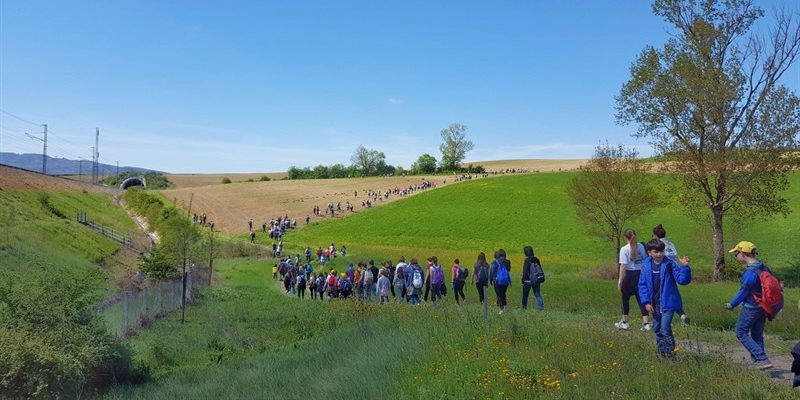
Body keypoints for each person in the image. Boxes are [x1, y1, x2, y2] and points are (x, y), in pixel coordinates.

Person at [638, 239, 692, 357]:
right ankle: (661, 352)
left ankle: (670, 353)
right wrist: (646, 302)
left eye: (661, 251)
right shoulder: (646, 265)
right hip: (654, 303)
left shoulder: (669, 264)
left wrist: (685, 267)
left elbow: (682, 280)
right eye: (655, 252)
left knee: (665, 328)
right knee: (657, 329)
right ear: (649, 253)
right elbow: (642, 285)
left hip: (668, 302)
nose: (659, 254)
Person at [725, 241, 774, 370]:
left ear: (742, 253)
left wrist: (732, 304)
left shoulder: (750, 273)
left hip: (751, 308)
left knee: (740, 332)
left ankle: (762, 358)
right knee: (757, 336)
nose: (736, 256)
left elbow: (744, 291)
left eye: (736, 253)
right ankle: (760, 364)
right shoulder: (764, 267)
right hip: (763, 307)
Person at [653, 224, 689, 325]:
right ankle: (681, 314)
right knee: (672, 293)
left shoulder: (657, 245)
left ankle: (662, 321)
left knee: (661, 294)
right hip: (674, 267)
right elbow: (675, 255)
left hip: (663, 269)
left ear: (655, 236)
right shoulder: (670, 243)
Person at [615, 229, 650, 331]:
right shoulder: (642, 247)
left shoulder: (624, 249)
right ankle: (646, 323)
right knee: (641, 299)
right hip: (640, 274)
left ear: (625, 237)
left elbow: (623, 266)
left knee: (625, 299)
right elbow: (645, 260)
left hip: (629, 276)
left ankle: (625, 322)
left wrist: (620, 280)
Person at [521, 245, 544, 311]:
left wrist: (523, 281)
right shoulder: (536, 259)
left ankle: (524, 309)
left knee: (525, 295)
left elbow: (525, 272)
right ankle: (541, 309)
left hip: (528, 280)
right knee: (537, 294)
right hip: (536, 279)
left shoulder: (526, 260)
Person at [490, 249, 511, 313]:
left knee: (499, 294)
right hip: (506, 280)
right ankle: (505, 306)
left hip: (497, 280)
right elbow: (508, 270)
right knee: (503, 293)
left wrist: (490, 280)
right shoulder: (508, 262)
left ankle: (501, 309)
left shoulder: (495, 262)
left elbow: (492, 271)